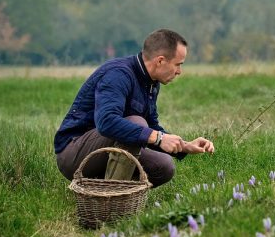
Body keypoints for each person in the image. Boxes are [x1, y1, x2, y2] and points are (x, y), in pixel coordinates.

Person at [54, 28, 214, 186]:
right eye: (178, 64)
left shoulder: (151, 83)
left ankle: (107, 187)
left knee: (164, 166)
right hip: (74, 152)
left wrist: (184, 146)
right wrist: (158, 138)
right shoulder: (118, 74)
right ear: (160, 61)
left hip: (108, 148)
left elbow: (151, 127)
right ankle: (112, 198)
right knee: (137, 123)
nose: (179, 71)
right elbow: (106, 122)